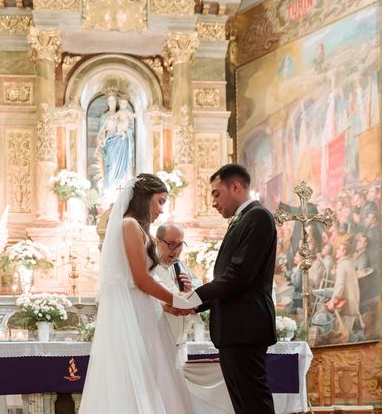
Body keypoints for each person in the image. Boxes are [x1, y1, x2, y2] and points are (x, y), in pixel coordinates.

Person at [79, 173, 194, 413]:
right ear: (145, 198)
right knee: (140, 376)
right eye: (160, 201)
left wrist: (166, 305)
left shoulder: (139, 228)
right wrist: (178, 300)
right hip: (134, 313)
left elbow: (144, 280)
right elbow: (140, 279)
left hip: (146, 310)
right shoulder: (129, 225)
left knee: (155, 373)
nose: (161, 209)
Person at [175, 164, 277, 414]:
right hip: (235, 329)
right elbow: (231, 279)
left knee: (254, 403)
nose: (213, 202)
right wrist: (197, 303)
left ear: (236, 187)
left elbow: (238, 275)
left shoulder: (258, 216)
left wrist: (193, 299)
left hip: (246, 327)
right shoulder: (241, 220)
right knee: (243, 405)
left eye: (216, 193)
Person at [153, 221, 202, 366]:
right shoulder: (149, 265)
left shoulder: (180, 265)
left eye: (180, 244)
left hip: (179, 340)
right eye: (171, 244)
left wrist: (189, 291)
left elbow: (196, 289)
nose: (176, 250)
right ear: (157, 241)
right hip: (157, 340)